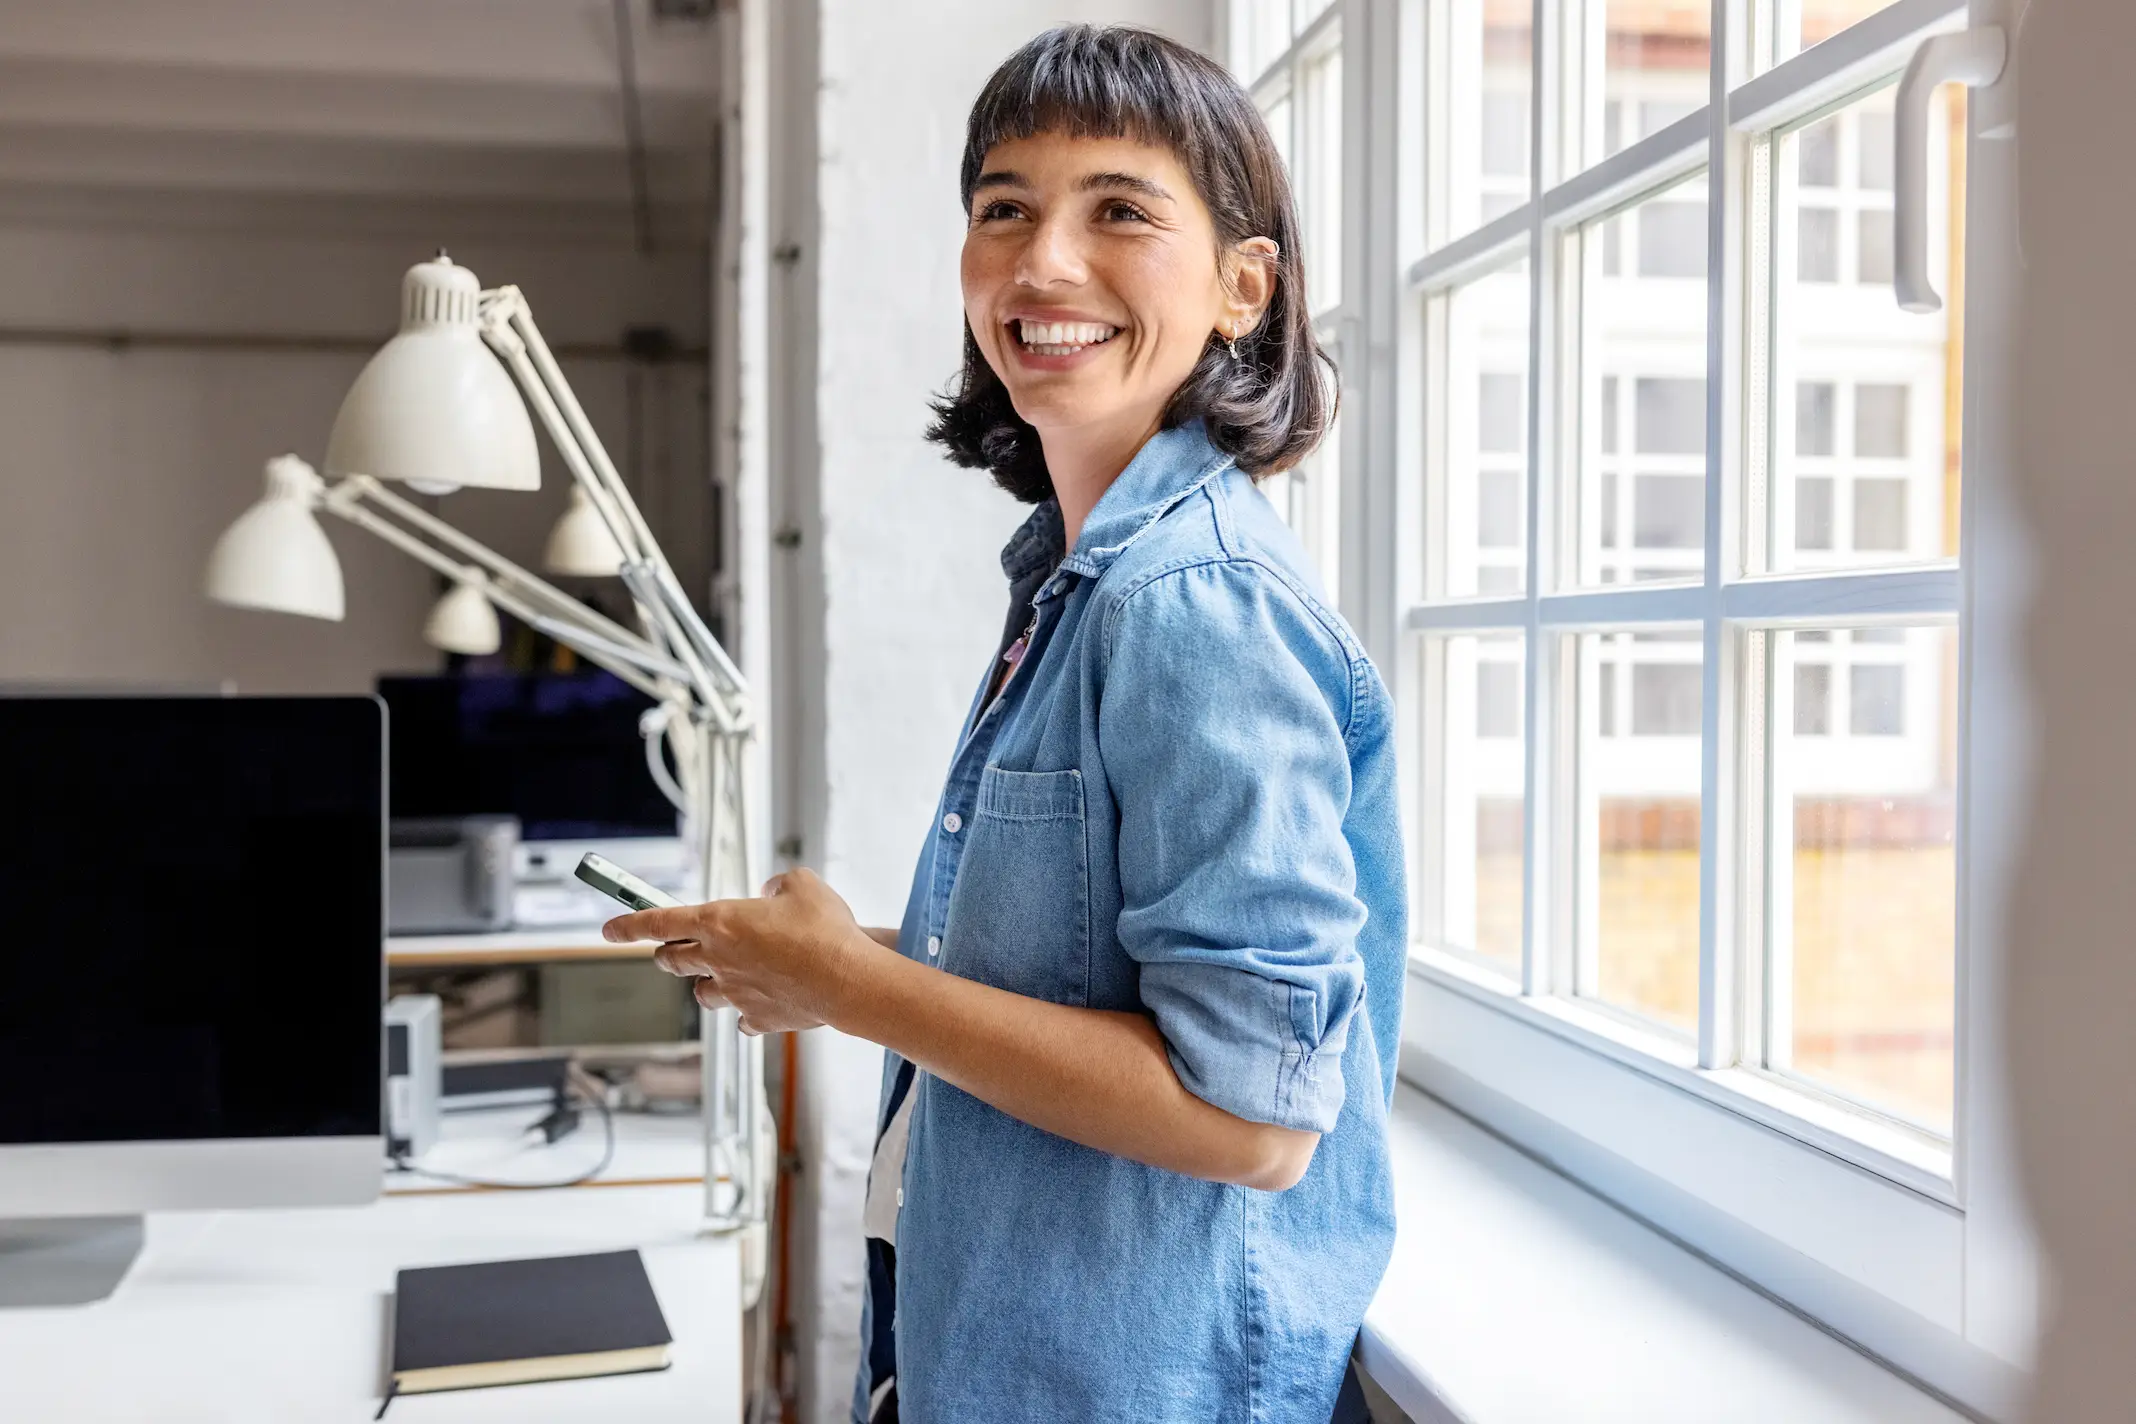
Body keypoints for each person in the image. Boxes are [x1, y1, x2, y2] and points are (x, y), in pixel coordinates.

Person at [605, 24, 1404, 1423]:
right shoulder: (1080, 580)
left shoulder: (1193, 604)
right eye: (1004, 209)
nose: (1041, 264)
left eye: (1119, 211)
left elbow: (1256, 1119)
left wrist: (854, 990)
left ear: (1242, 285)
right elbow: (1083, 995)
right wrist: (826, 961)